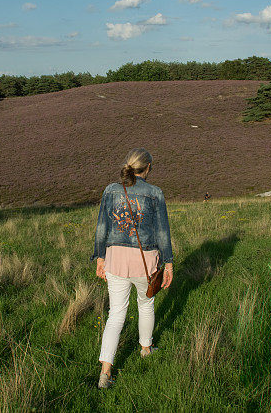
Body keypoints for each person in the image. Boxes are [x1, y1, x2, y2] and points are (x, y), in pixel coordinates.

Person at [91, 148, 174, 389]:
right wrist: (168, 263)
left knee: (116, 315)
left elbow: (101, 227)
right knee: (146, 304)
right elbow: (162, 233)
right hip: (145, 259)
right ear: (147, 168)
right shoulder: (155, 193)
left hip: (115, 258)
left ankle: (105, 371)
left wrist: (100, 258)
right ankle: (146, 348)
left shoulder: (111, 190)